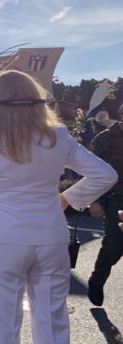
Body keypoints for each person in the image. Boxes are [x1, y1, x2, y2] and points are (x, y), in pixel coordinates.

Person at [0, 70, 117, 344]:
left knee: (3, 323)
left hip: (2, 238)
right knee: (53, 322)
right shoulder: (57, 136)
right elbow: (106, 175)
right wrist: (67, 199)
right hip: (51, 235)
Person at [86, 102, 123, 306]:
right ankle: (96, 281)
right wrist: (93, 200)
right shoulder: (104, 139)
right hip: (114, 198)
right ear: (120, 115)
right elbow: (89, 170)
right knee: (114, 245)